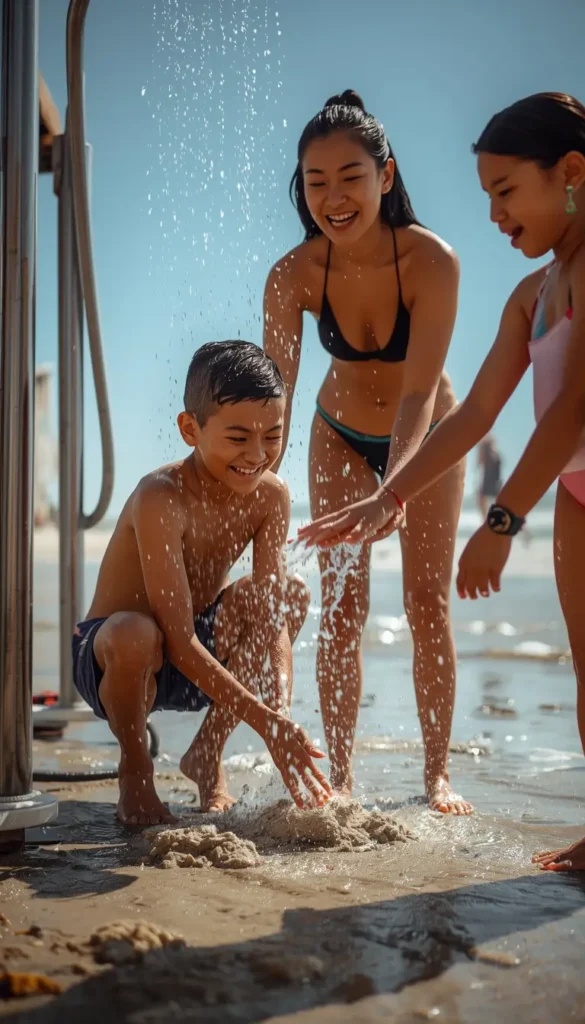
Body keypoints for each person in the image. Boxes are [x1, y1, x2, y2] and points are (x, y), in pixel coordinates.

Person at [300, 92, 585, 868]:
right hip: (576, 493)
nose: (493, 214)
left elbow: (567, 415)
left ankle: (441, 772)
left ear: (569, 173)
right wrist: (387, 495)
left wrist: (499, 524)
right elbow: (477, 415)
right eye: (486, 195)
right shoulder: (529, 295)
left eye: (503, 192)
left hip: (552, 482)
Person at [264, 90, 471, 814]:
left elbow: (417, 398)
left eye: (350, 177)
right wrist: (252, 484)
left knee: (424, 602)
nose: (333, 198)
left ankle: (436, 774)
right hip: (338, 433)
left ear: (385, 175)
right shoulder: (293, 275)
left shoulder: (431, 262)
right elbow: (276, 399)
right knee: (343, 608)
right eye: (315, 183)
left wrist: (398, 488)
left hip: (428, 433)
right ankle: (341, 776)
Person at [72, 341, 332, 825]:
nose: (258, 456)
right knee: (136, 632)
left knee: (287, 593)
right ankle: (136, 771)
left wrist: (280, 718)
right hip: (118, 658)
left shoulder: (270, 496)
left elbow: (271, 616)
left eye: (272, 436)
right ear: (191, 429)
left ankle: (206, 756)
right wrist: (264, 721)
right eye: (238, 438)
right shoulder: (161, 497)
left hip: (197, 654)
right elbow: (176, 638)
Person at [476, 434, 503, 519]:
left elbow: (479, 462)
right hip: (495, 483)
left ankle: (486, 521)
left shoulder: (492, 456)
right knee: (500, 505)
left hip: (490, 483)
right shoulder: (496, 456)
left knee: (482, 500)